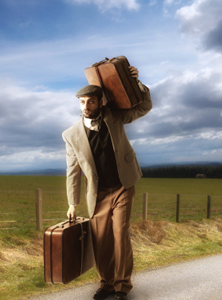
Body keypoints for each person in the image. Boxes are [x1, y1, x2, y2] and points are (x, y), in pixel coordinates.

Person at [63, 66, 152, 300]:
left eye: (90, 102)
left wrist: (137, 83)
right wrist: (72, 203)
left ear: (100, 102)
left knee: (120, 234)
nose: (86, 107)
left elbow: (144, 106)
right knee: (100, 241)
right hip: (98, 194)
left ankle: (122, 286)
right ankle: (107, 284)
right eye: (82, 102)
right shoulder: (70, 135)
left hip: (123, 185)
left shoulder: (115, 115)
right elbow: (72, 171)